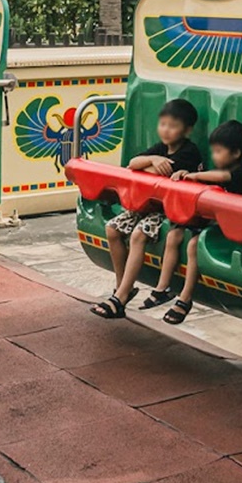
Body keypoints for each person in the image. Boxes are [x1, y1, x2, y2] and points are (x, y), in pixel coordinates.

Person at [91, 99, 201, 319]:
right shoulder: (160, 149)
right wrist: (152, 158)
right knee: (113, 229)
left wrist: (149, 166)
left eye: (173, 126)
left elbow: (154, 173)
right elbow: (133, 163)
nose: (166, 130)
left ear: (187, 130)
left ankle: (119, 299)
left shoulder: (189, 151)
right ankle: (123, 287)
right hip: (148, 203)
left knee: (139, 234)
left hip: (169, 210)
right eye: (163, 124)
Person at [143, 119, 242, 326]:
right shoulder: (212, 171)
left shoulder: (239, 172)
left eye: (219, 151)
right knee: (173, 235)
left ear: (235, 154)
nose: (214, 156)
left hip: (229, 226)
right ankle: (162, 288)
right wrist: (186, 175)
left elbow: (222, 176)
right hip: (206, 221)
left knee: (194, 245)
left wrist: (194, 176)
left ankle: (185, 297)